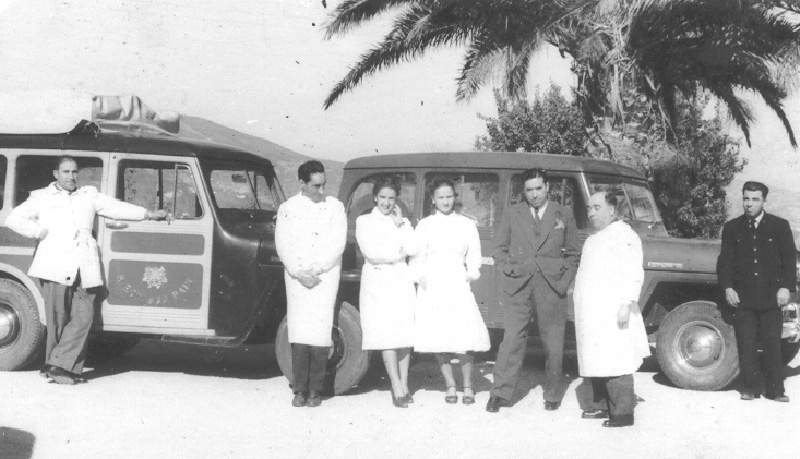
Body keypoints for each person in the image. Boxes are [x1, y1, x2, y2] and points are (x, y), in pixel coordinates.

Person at [5, 155, 167, 385]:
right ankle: (60, 368)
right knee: (58, 318)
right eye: (66, 172)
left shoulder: (88, 195)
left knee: (85, 315)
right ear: (56, 174)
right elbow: (14, 218)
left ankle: (58, 365)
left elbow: (115, 207)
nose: (71, 177)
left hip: (85, 264)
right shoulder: (41, 197)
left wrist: (147, 214)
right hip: (55, 263)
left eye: (74, 172)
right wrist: (38, 232)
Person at [487, 168, 580, 413]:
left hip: (552, 286)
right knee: (511, 339)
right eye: (529, 190)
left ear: (547, 187)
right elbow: (499, 249)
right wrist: (508, 271)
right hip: (518, 285)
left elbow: (573, 253)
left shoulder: (564, 213)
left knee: (553, 341)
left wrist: (564, 279)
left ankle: (552, 394)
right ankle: (500, 392)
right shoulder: (513, 212)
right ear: (524, 191)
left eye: (539, 188)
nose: (534, 194)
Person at [573, 191, 650, 427]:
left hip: (614, 311)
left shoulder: (624, 235)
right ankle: (601, 405)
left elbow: (633, 273)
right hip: (593, 314)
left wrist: (626, 304)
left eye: (597, 208)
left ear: (612, 210)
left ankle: (622, 414)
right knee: (596, 357)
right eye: (589, 208)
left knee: (616, 359)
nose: (591, 213)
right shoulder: (594, 237)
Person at [411, 177, 490, 405]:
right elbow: (417, 258)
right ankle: (450, 385)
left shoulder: (466, 224)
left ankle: (468, 385)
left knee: (463, 336)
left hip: (457, 283)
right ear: (433, 199)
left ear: (455, 197)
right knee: (439, 337)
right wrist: (421, 278)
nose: (445, 201)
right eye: (440, 197)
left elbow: (474, 255)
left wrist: (470, 274)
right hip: (433, 284)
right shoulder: (425, 225)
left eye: (449, 196)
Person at [275, 160, 346, 408]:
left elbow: (338, 243)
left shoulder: (335, 207)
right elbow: (283, 244)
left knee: (320, 330)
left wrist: (316, 269)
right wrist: (298, 272)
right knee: (299, 330)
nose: (321, 190)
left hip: (324, 276)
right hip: (297, 278)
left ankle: (316, 389)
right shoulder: (288, 208)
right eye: (316, 186)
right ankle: (299, 389)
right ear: (302, 183)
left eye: (324, 185)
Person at [717, 181, 797, 402]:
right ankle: (750, 388)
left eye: (755, 199)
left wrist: (786, 287)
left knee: (772, 344)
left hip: (772, 297)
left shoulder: (779, 225)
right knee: (747, 343)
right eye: (746, 199)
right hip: (743, 297)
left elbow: (789, 259)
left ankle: (775, 390)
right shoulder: (732, 228)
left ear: (764, 201)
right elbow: (724, 262)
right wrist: (727, 288)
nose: (749, 204)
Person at [355, 178, 417, 408]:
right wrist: (397, 253)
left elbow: (412, 248)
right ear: (375, 197)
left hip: (400, 280)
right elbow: (372, 253)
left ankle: (405, 384)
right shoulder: (364, 221)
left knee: (404, 334)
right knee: (386, 333)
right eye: (382, 197)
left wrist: (400, 226)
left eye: (391, 198)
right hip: (378, 281)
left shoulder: (403, 222)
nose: (387, 203)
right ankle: (395, 385)